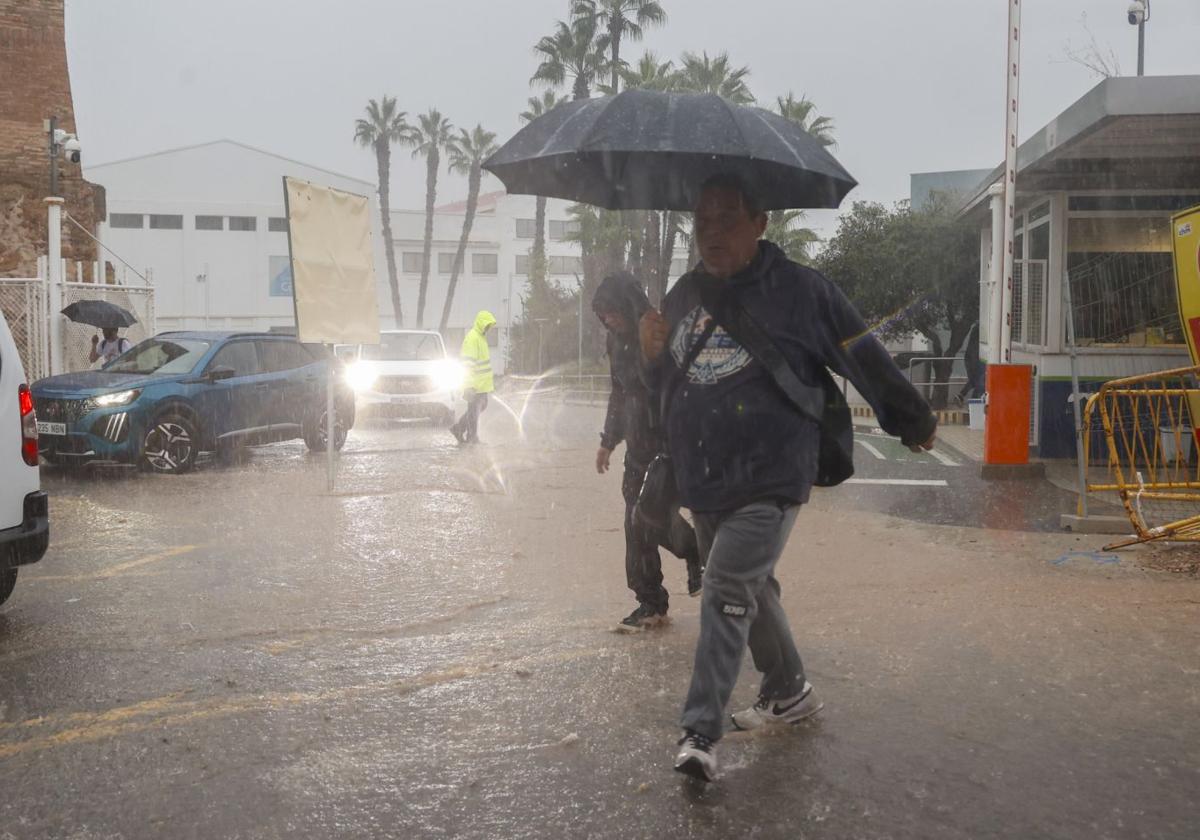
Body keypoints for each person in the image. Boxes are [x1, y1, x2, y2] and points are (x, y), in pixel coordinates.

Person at [639, 174, 939, 782]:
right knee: (751, 585)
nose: (711, 232)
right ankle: (789, 689)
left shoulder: (802, 291)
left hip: (773, 469)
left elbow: (862, 354)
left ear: (761, 223)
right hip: (704, 473)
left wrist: (912, 419)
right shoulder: (682, 295)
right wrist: (646, 356)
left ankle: (700, 731)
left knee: (726, 584)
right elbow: (662, 392)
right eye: (702, 220)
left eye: (727, 217)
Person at [593, 272, 705, 631]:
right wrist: (608, 441)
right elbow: (618, 392)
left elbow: (679, 384)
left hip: (670, 447)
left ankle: (695, 553)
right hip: (637, 448)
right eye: (603, 316)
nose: (609, 320)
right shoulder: (614, 342)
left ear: (627, 306)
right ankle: (651, 602)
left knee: (645, 520)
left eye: (613, 313)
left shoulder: (658, 331)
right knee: (636, 523)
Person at [450, 310, 496, 445]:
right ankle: (472, 437)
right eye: (487, 325)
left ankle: (459, 428)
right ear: (481, 324)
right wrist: (469, 385)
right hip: (474, 385)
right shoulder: (473, 338)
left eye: (490, 326)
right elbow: (468, 364)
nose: (489, 328)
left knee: (479, 407)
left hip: (481, 384)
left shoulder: (480, 338)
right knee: (474, 410)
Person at [955, 322, 985, 404]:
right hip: (975, 359)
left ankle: (962, 395)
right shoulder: (979, 330)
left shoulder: (976, 330)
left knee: (975, 380)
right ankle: (966, 398)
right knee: (979, 382)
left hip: (971, 359)